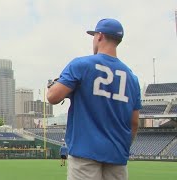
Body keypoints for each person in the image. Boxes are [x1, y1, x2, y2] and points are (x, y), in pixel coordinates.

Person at [47, 18, 141, 180]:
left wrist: (52, 85)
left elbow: (53, 97)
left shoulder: (81, 64)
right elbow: (134, 123)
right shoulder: (132, 78)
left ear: (99, 36)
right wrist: (121, 147)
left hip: (85, 153)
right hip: (117, 156)